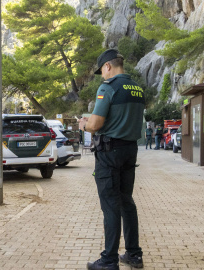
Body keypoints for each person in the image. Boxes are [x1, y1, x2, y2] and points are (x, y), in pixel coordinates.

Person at [78, 49, 144, 270]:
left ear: (108, 66)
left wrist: (84, 124)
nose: (102, 76)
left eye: (102, 71)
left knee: (110, 205)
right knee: (127, 201)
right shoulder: (137, 89)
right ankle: (134, 255)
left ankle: (108, 260)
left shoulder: (108, 87)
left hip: (109, 153)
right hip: (130, 151)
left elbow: (95, 125)